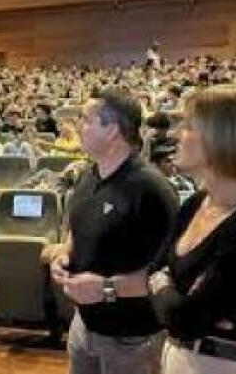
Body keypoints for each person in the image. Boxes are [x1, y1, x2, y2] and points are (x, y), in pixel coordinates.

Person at [97, 85, 236, 374]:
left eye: (187, 127)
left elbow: (186, 319)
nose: (175, 135)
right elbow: (155, 271)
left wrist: (165, 284)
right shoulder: (196, 203)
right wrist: (171, 288)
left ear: (221, 138)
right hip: (177, 356)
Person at [50, 87, 178, 374]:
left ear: (112, 130)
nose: (76, 127)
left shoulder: (152, 189)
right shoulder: (87, 175)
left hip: (132, 338)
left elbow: (168, 275)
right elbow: (78, 228)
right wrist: (64, 253)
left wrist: (106, 288)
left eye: (85, 119)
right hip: (84, 325)